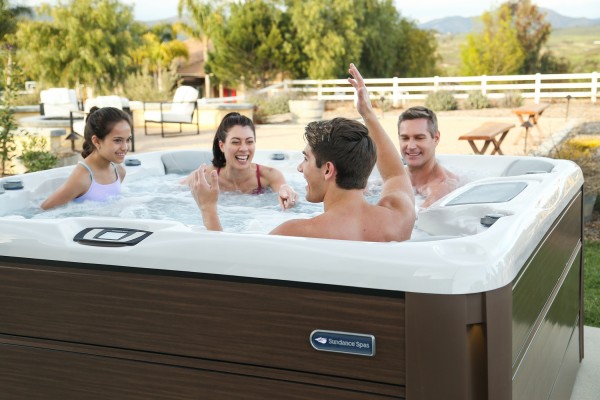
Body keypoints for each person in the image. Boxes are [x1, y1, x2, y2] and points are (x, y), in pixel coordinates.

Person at [188, 63, 416, 241]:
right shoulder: (397, 219)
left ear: (328, 169)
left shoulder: (296, 232)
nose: (299, 167)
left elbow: (232, 270)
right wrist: (368, 114)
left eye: (306, 158)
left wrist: (208, 209)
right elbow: (396, 175)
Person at [181, 112, 298, 210]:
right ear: (222, 146)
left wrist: (288, 192)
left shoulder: (270, 176)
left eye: (249, 142)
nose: (244, 148)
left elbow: (284, 189)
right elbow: (173, 192)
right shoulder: (206, 176)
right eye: (236, 142)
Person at [41, 107, 132, 210]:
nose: (125, 147)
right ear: (96, 141)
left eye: (128, 139)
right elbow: (45, 209)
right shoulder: (82, 177)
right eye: (118, 140)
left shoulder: (119, 172)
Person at [397, 106, 459, 208]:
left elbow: (418, 220)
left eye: (419, 138)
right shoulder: (394, 177)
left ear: (436, 138)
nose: (411, 146)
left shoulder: (441, 187)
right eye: (405, 138)